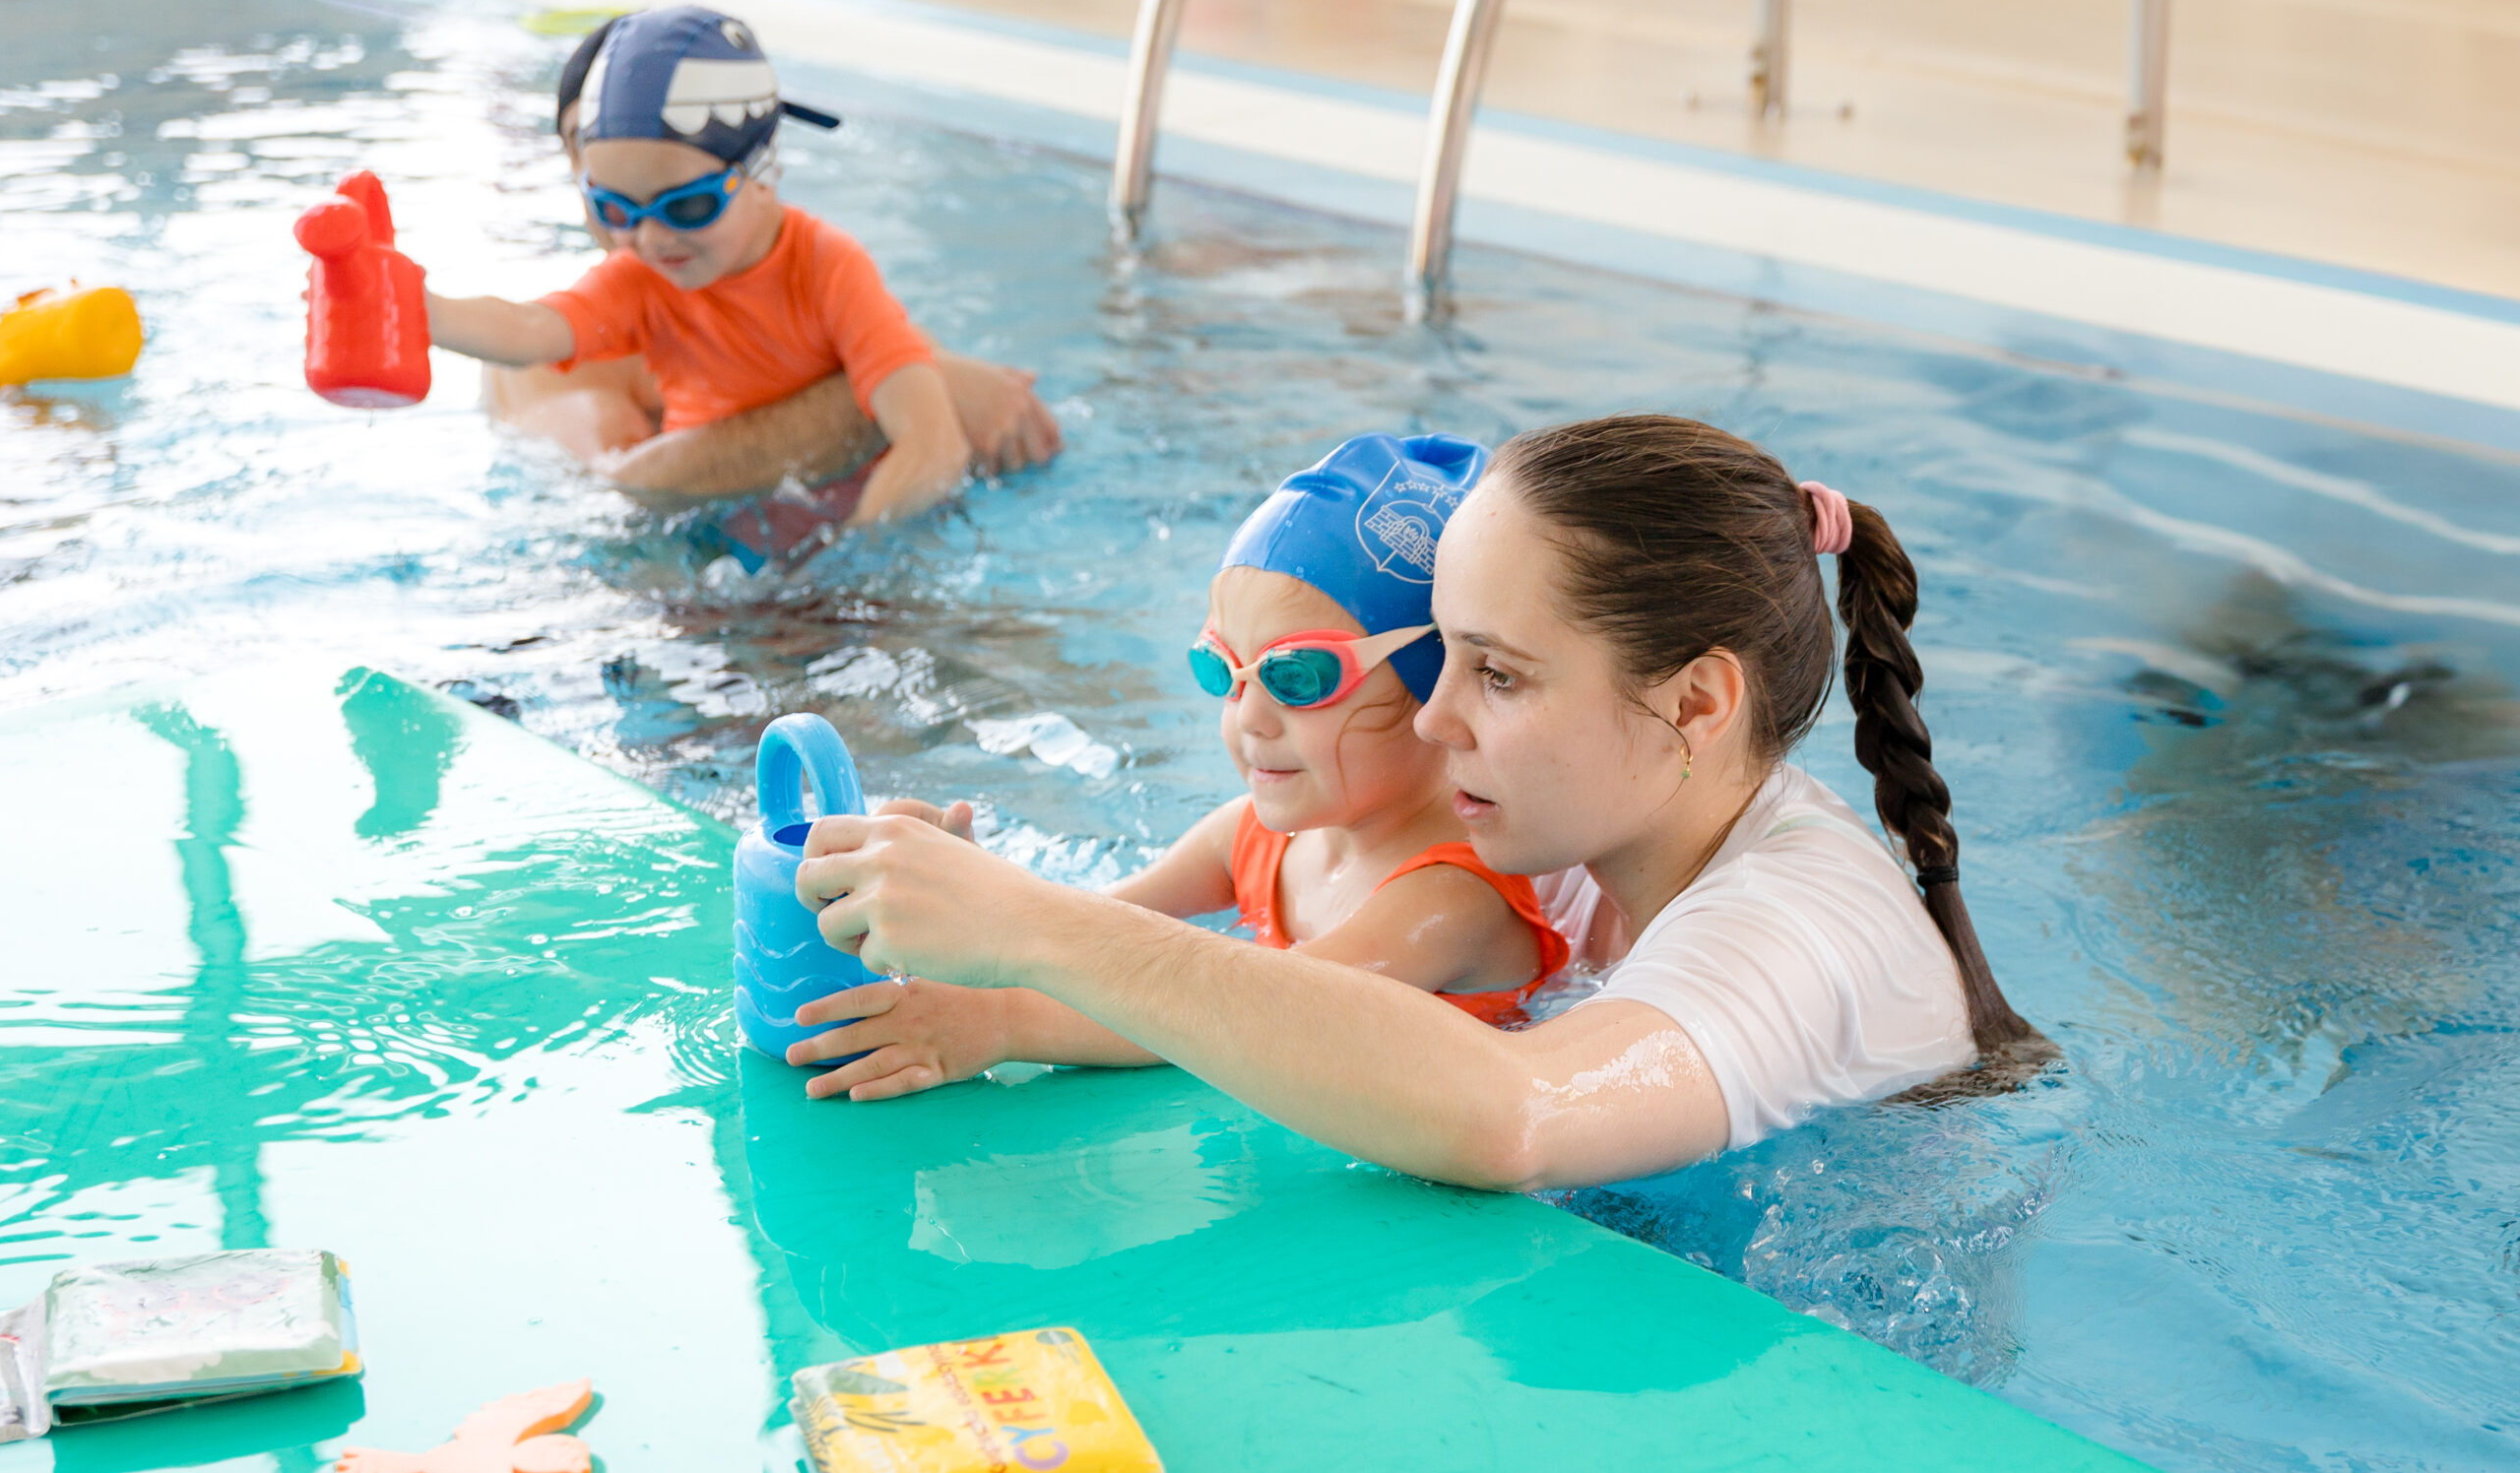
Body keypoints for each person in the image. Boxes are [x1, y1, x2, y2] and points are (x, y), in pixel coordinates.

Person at [793, 414, 2048, 1190]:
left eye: (1496, 674)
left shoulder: (1793, 926)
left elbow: (1516, 1117)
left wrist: (1034, 934)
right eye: (1441, 655)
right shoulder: (1590, 811)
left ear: (1695, 704)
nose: (1433, 719)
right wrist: (963, 917)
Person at [785, 433, 1570, 1101]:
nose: (1249, 716)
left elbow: (1269, 1016)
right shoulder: (1255, 837)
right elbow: (1088, 930)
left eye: (1299, 676)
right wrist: (974, 902)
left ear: (1435, 686)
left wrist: (1001, 1020)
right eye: (1222, 667)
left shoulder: (1453, 897)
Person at [423, 7, 969, 526]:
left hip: (833, 524)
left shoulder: (826, 267)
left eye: (686, 207)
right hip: (710, 533)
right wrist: (426, 313)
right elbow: (531, 329)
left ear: (762, 168)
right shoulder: (642, 278)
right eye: (617, 209)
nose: (651, 239)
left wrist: (857, 544)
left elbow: (934, 446)